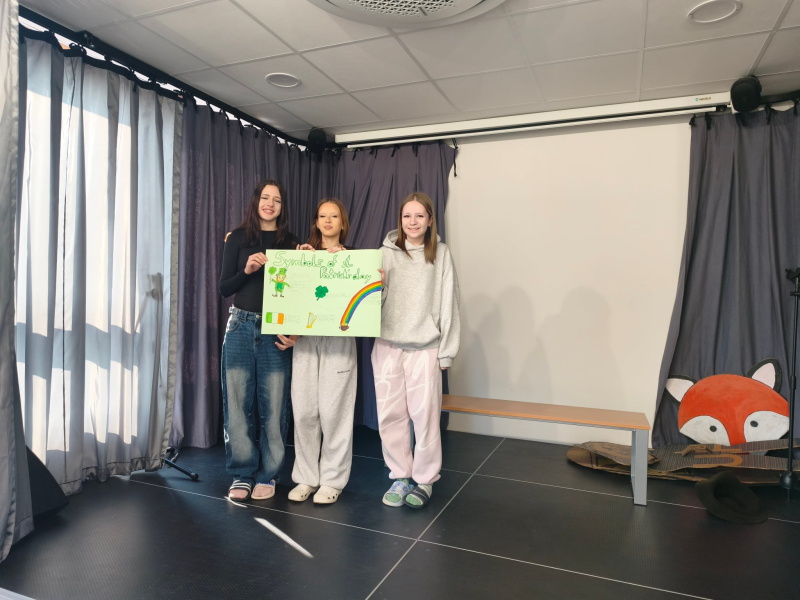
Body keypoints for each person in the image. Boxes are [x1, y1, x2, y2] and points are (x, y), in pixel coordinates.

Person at [372, 192, 460, 509]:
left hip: (425, 347)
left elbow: (449, 302)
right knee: (390, 416)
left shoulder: (441, 254)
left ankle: (424, 480)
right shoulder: (384, 254)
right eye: (407, 216)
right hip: (387, 345)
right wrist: (378, 286)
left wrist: (447, 351)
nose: (413, 222)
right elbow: (370, 304)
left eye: (419, 216)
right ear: (400, 220)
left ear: (430, 220)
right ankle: (400, 476)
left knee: (425, 417)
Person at [219, 179, 299, 501]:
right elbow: (224, 288)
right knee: (237, 404)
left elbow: (300, 292)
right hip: (240, 326)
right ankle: (242, 473)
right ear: (256, 201)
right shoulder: (237, 238)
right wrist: (248, 270)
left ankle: (269, 474)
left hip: (275, 330)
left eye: (276, 200)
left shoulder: (291, 242)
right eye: (265, 198)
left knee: (275, 406)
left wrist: (308, 261)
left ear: (282, 207)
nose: (270, 204)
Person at [289, 199, 357, 505]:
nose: (328, 221)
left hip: (339, 342)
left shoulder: (355, 260)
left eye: (334, 216)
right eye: (322, 216)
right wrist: (301, 263)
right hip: (306, 340)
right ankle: (306, 477)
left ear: (343, 223)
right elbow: (289, 299)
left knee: (334, 414)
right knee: (304, 411)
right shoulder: (303, 256)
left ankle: (332, 480)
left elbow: (366, 302)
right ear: (316, 222)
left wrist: (347, 266)